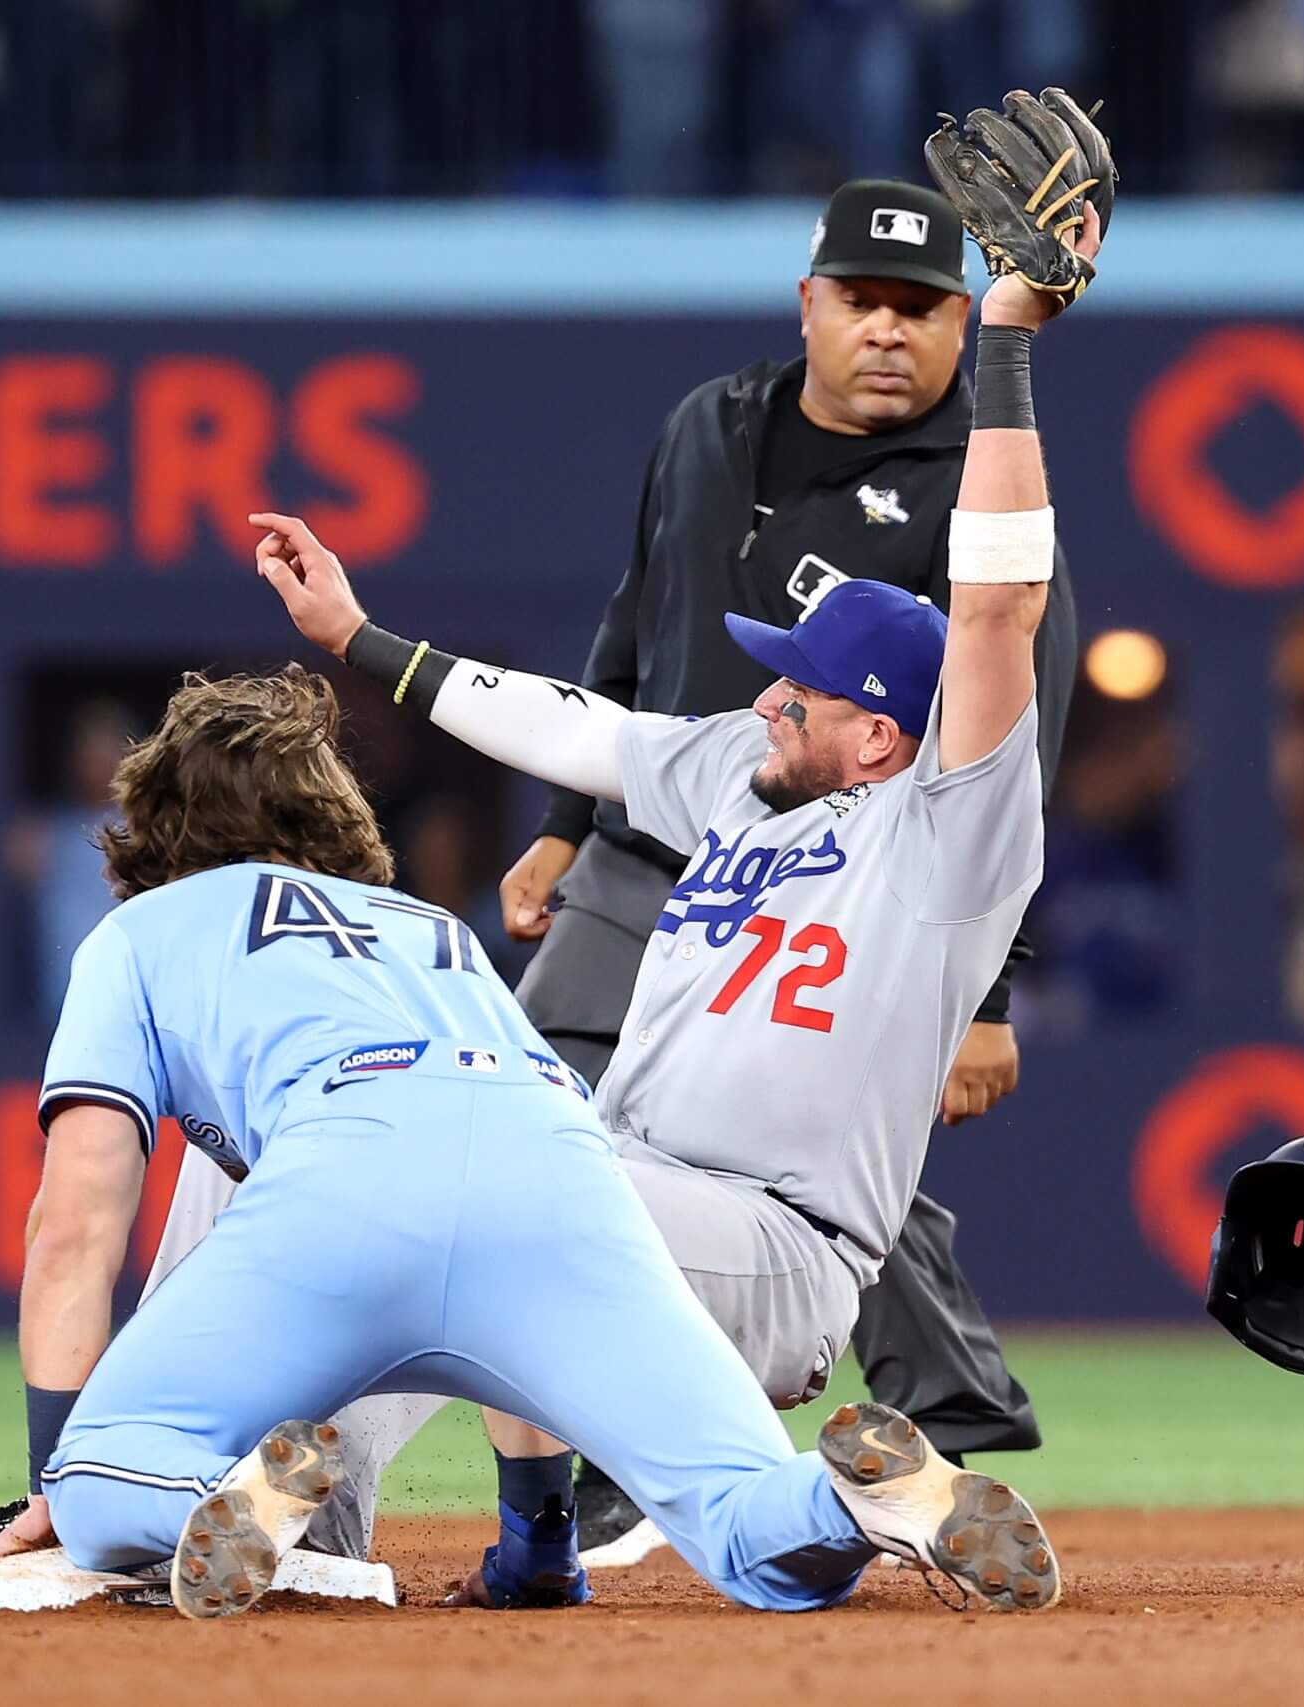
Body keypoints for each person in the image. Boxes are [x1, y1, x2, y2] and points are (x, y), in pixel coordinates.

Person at [248, 126, 1091, 1604]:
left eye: (803, 687)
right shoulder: (741, 781)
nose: (766, 693)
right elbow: (569, 719)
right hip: (627, 1203)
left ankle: (828, 1493)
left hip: (773, 1248)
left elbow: (1003, 615)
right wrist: (356, 640)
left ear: (889, 737)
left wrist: (1013, 345)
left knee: (513, 1184)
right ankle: (503, 1536)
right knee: (429, 1189)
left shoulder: (942, 837)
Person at [0, 668, 1062, 1618]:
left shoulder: (142, 930)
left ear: (151, 829)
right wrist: (535, 1546)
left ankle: (226, 1506)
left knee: (104, 1482)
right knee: (741, 1526)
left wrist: (52, 1491)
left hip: (343, 1187)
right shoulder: (428, 930)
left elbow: (75, 1223)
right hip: (565, 1180)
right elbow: (486, 1154)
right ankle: (851, 1501)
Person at [495, 172, 1077, 1557]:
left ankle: (947, 1414)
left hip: (842, 865)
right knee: (529, 1113)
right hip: (651, 846)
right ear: (808, 304)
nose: (889, 331)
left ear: (955, 324)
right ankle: (649, 1460)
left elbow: (1016, 729)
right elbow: (635, 619)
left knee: (804, 1156)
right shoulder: (710, 423)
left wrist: (987, 989)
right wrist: (561, 824)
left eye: (921, 307)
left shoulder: (972, 475)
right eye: (862, 300)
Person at [4, 701, 131, 1024]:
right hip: (56, 1005)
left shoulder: (153, 831)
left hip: (127, 1003)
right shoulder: (45, 833)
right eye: (91, 751)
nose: (99, 763)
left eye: (108, 750)